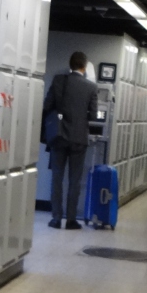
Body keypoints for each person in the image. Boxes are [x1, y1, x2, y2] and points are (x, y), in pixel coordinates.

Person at [42, 51, 99, 229]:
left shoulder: (58, 81)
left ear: (70, 64)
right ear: (85, 66)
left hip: (58, 136)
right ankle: (71, 220)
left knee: (57, 178)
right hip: (79, 138)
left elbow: (46, 106)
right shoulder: (91, 87)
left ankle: (56, 218)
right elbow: (93, 115)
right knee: (75, 180)